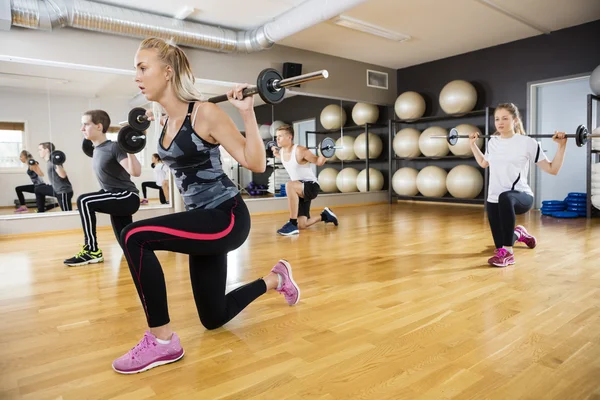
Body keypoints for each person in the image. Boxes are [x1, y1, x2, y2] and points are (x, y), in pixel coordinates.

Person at [111, 37, 300, 375]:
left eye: (142, 68)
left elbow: (254, 162)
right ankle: (276, 279)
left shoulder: (206, 112)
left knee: (133, 236)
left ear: (167, 72)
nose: (137, 76)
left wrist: (247, 113)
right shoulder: (165, 121)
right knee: (214, 317)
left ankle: (162, 341)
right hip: (201, 220)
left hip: (225, 216)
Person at [470, 102, 566, 267]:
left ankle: (509, 255)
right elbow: (483, 163)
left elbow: (552, 169)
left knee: (505, 198)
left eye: (505, 118)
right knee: (500, 245)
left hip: (521, 197)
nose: (500, 122)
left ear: (515, 120)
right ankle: (518, 234)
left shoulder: (527, 142)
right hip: (494, 200)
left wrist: (562, 146)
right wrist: (472, 145)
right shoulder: (492, 141)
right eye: (497, 119)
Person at [63, 110, 142, 267]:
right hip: (113, 195)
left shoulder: (114, 147)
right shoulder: (96, 150)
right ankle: (138, 251)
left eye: (86, 124)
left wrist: (130, 149)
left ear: (99, 126)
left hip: (127, 196)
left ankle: (92, 251)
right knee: (126, 241)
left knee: (84, 201)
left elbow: (135, 172)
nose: (82, 128)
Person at [270, 124, 338, 236]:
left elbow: (319, 162)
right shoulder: (281, 152)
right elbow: (276, 153)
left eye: (280, 136)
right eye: (276, 137)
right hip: (299, 189)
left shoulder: (300, 150)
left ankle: (291, 223)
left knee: (289, 185)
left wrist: (326, 152)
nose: (277, 139)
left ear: (289, 137)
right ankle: (326, 215)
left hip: (310, 186)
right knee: (302, 225)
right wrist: (273, 149)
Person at [34, 142, 74, 212]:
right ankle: (40, 211)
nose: (38, 152)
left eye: (40, 150)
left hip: (63, 192)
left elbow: (63, 175)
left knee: (67, 213)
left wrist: (57, 163)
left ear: (46, 150)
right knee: (38, 189)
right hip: (56, 189)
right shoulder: (50, 161)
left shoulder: (53, 161)